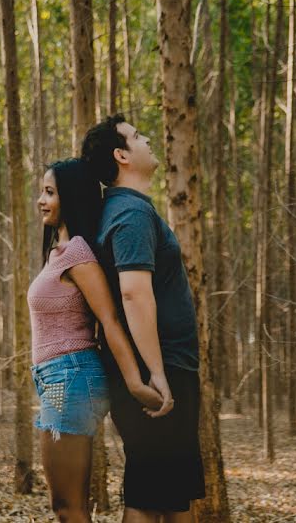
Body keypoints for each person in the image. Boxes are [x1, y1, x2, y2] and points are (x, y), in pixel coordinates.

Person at [28, 158, 168, 523]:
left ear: (70, 197)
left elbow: (109, 320)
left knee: (69, 507)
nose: (41, 200)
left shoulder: (77, 253)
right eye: (41, 191)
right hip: (56, 381)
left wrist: (136, 383)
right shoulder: (59, 253)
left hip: (69, 379)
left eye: (49, 192)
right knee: (64, 506)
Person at [81, 115, 206, 522]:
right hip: (158, 367)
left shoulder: (125, 210)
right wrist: (157, 373)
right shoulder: (130, 213)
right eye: (137, 136)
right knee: (149, 497)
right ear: (121, 156)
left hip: (163, 365)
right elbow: (134, 293)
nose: (147, 138)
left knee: (171, 497)